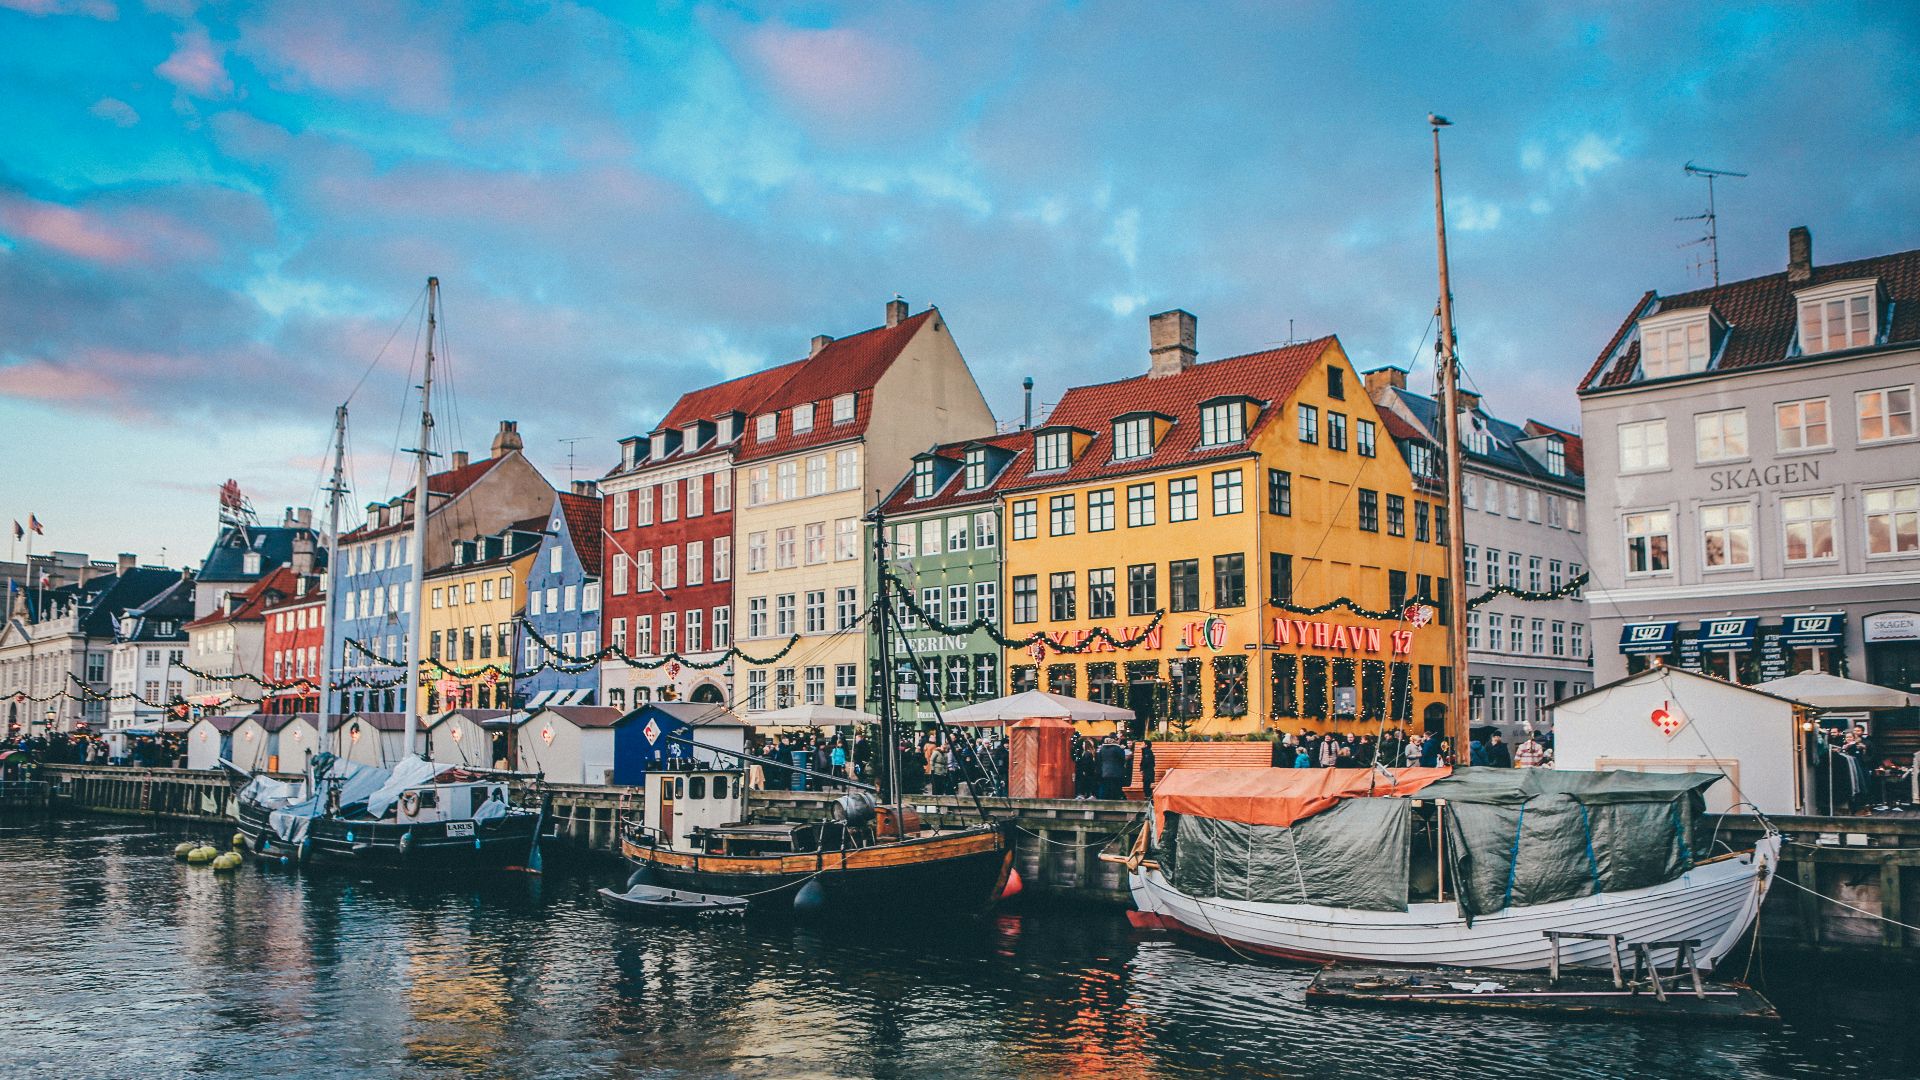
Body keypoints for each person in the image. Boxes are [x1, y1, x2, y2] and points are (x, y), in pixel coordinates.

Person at [1095, 735, 1128, 800]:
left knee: (1106, 787)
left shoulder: (1102, 749)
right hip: (1116, 772)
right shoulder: (1117, 749)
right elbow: (1122, 759)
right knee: (1115, 788)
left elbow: (1099, 760)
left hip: (1105, 772)